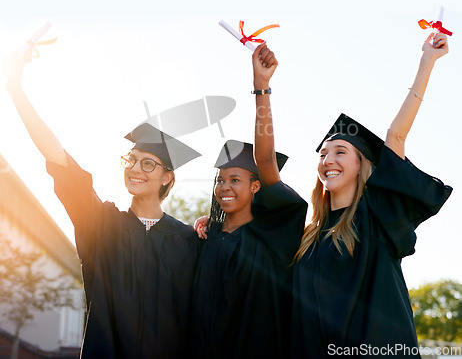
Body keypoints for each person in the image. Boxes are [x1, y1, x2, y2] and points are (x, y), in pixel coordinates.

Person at [3, 52, 202, 359]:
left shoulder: (189, 242)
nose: (135, 169)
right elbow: (58, 158)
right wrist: (15, 86)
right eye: (132, 160)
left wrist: (211, 225)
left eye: (148, 164)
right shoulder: (102, 223)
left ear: (167, 177)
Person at [291, 32, 453, 358]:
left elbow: (396, 135)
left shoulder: (376, 215)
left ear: (361, 164)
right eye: (323, 154)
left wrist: (426, 62)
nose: (328, 161)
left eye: (340, 152)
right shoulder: (309, 236)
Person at [192, 43, 308, 359]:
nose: (224, 187)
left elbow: (265, 158)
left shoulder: (270, 239)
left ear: (257, 185)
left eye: (235, 180)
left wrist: (261, 89)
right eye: (220, 179)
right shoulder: (204, 238)